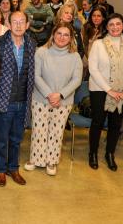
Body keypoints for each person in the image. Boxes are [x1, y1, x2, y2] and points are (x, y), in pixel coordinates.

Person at [24, 22, 82, 176]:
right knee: (39, 130)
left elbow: (76, 80)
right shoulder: (41, 52)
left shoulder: (75, 56)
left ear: (70, 38)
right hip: (40, 98)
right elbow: (36, 75)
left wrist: (60, 95)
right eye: (59, 34)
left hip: (63, 101)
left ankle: (51, 160)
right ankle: (36, 159)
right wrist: (50, 94)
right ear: (53, 35)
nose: (62, 37)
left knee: (56, 132)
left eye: (66, 35)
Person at [88, 13, 123, 171]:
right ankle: (93, 153)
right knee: (97, 122)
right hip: (100, 90)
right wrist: (109, 90)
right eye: (111, 24)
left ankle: (110, 153)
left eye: (118, 24)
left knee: (116, 124)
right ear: (107, 27)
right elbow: (93, 69)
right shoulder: (98, 44)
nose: (115, 27)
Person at [0, 11, 35, 187]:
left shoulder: (32, 44)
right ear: (8, 24)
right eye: (14, 22)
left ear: (27, 25)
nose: (18, 25)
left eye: (22, 22)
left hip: (24, 100)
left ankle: (13, 168)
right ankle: (1, 171)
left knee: (17, 139)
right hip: (4, 100)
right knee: (2, 140)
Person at [82, 6, 107, 79]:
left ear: (103, 18)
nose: (96, 18)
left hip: (100, 64)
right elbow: (83, 45)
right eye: (94, 15)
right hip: (85, 61)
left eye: (99, 16)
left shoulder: (106, 31)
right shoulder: (85, 27)